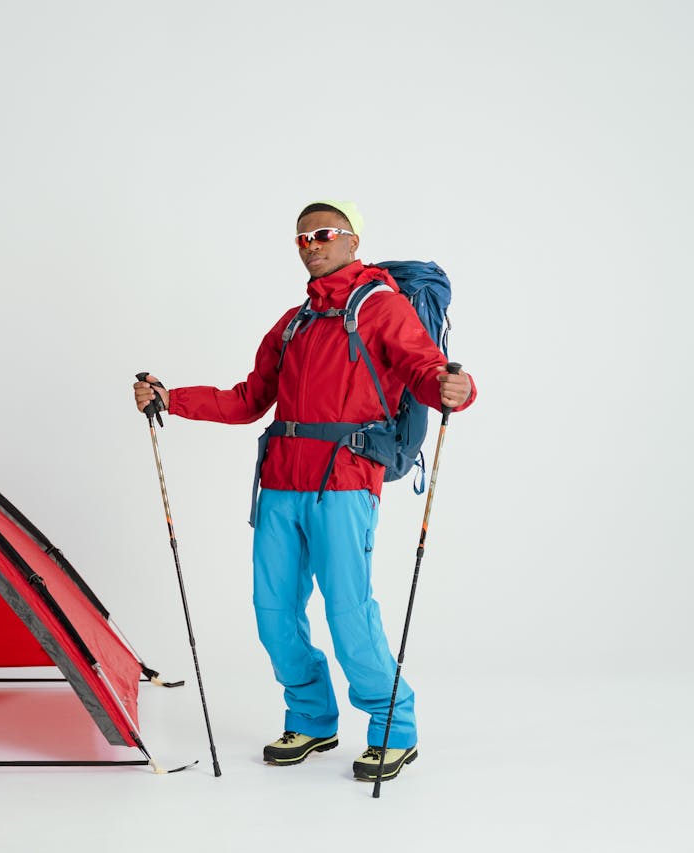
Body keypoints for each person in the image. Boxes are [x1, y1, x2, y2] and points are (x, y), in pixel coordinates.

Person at [133, 200, 475, 782]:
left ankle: (394, 727)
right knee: (274, 614)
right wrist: (173, 397)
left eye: (322, 234)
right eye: (301, 239)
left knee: (348, 612)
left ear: (351, 241)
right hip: (281, 483)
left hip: (345, 480)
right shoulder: (292, 323)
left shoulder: (382, 307)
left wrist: (456, 388)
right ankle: (313, 719)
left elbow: (425, 371)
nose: (310, 244)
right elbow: (246, 400)